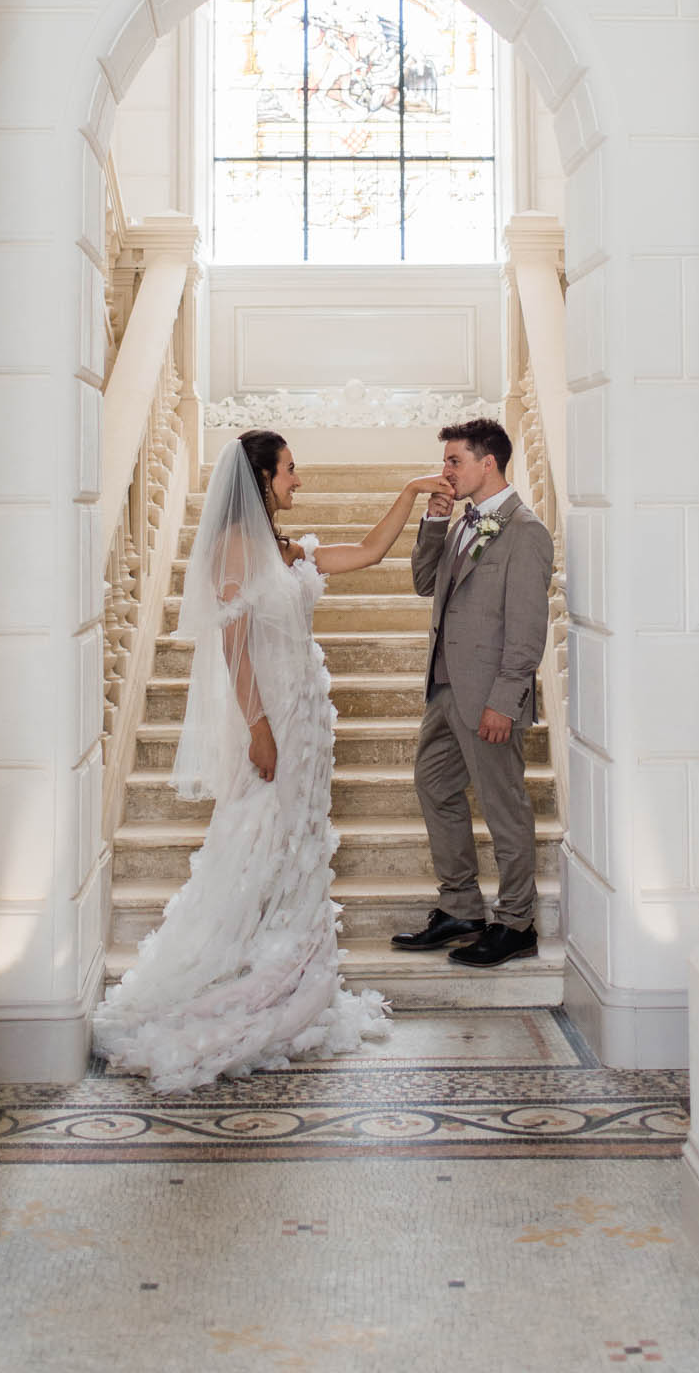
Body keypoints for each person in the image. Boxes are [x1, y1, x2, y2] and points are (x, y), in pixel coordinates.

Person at [94, 428, 450, 1090]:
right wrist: (258, 727)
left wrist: (408, 493)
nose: (297, 481)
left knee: (296, 839)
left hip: (306, 717)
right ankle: (248, 971)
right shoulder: (233, 549)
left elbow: (369, 553)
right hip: (274, 717)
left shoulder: (281, 551)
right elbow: (233, 648)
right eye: (289, 470)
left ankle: (292, 971)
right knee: (259, 835)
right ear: (260, 478)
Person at [392, 417, 554, 969]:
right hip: (443, 689)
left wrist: (505, 699)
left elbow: (529, 627)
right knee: (433, 784)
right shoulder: (462, 519)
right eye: (444, 462)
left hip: (488, 695)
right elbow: (423, 583)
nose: (445, 472)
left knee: (505, 807)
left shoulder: (525, 532)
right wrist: (434, 523)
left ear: (489, 463)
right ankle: (460, 906)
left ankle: (517, 924)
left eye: (454, 461)